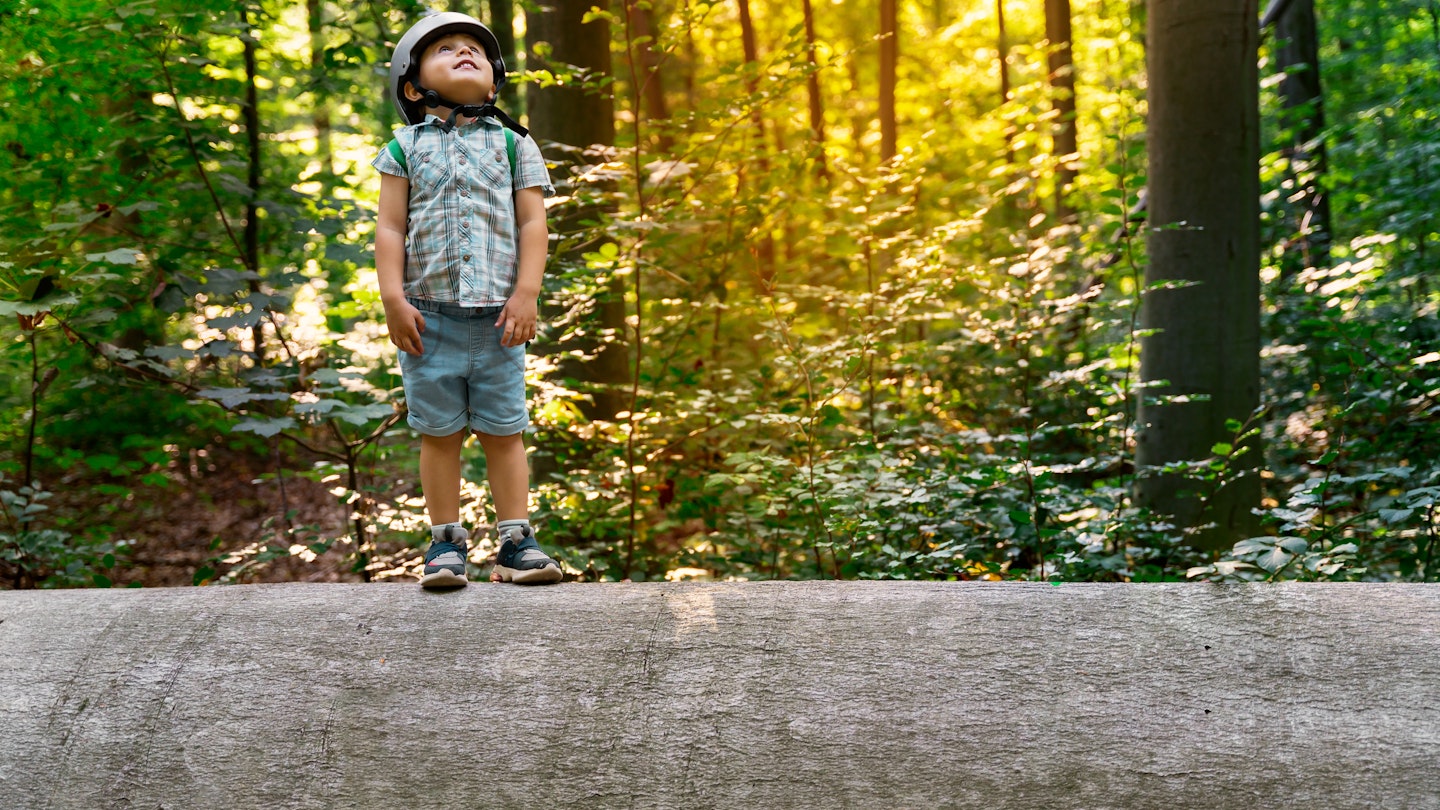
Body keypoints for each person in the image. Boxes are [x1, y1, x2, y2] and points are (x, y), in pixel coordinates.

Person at [372, 12, 561, 588]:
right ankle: (445, 544)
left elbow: (533, 224)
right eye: (446, 49)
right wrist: (392, 298)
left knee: (505, 431)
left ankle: (515, 541)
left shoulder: (513, 143)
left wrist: (527, 293)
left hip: (500, 317)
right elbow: (388, 228)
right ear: (413, 85)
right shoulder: (404, 147)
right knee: (440, 433)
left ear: (495, 76)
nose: (465, 52)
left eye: (476, 48)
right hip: (428, 317)